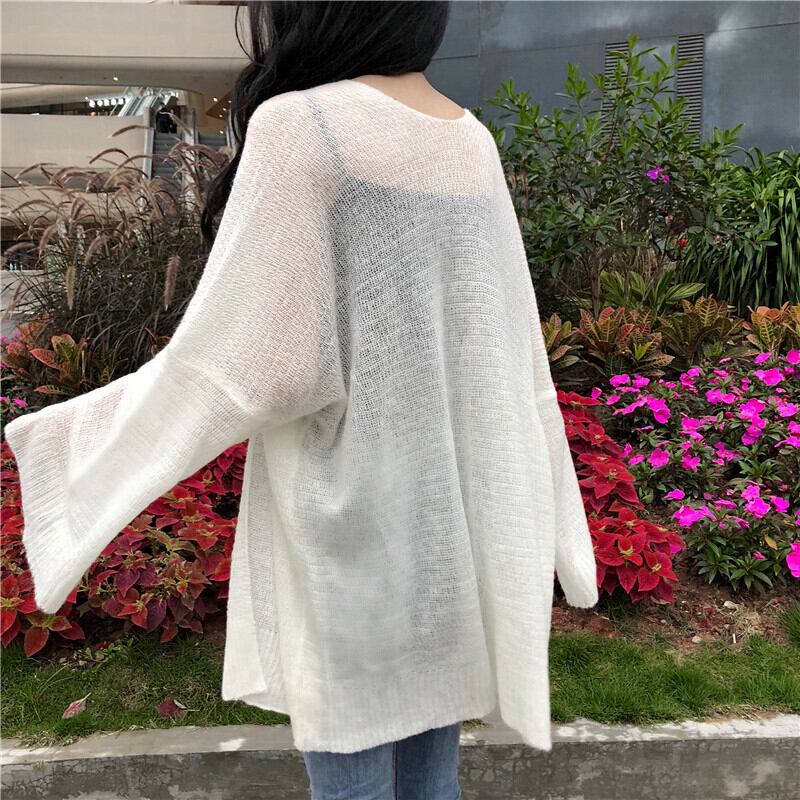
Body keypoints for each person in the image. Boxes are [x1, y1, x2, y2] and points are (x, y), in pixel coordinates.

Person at [5, 2, 599, 798]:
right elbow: (514, 353)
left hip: (347, 523)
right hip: (449, 525)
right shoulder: (470, 139)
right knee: (430, 781)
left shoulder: (302, 124)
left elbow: (264, 367)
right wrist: (560, 530)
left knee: (353, 780)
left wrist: (68, 445)